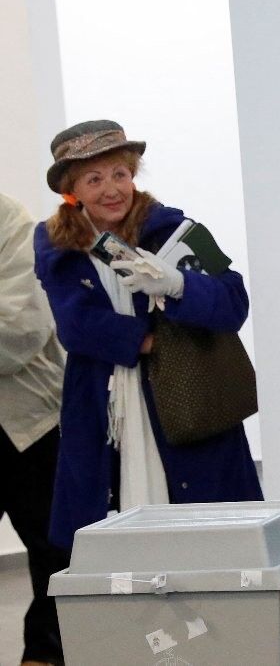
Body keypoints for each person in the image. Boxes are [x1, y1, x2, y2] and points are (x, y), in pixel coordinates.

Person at [33, 120, 263, 552]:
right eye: (94, 179)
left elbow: (233, 303)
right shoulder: (55, 242)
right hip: (103, 411)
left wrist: (178, 285)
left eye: (119, 174)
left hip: (188, 401)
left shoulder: (172, 228)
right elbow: (75, 326)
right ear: (71, 189)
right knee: (114, 547)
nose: (111, 189)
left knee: (210, 542)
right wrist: (153, 340)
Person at [0, 192, 70, 666]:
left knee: (55, 553)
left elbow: (20, 331)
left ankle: (43, 655)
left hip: (29, 422)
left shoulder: (9, 220)